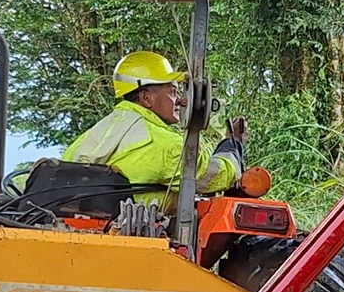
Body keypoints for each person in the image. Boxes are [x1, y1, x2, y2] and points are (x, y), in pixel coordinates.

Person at [64, 50, 245, 210]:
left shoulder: (95, 134)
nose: (181, 101)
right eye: (173, 92)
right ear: (146, 98)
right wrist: (232, 145)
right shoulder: (164, 144)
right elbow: (212, 177)